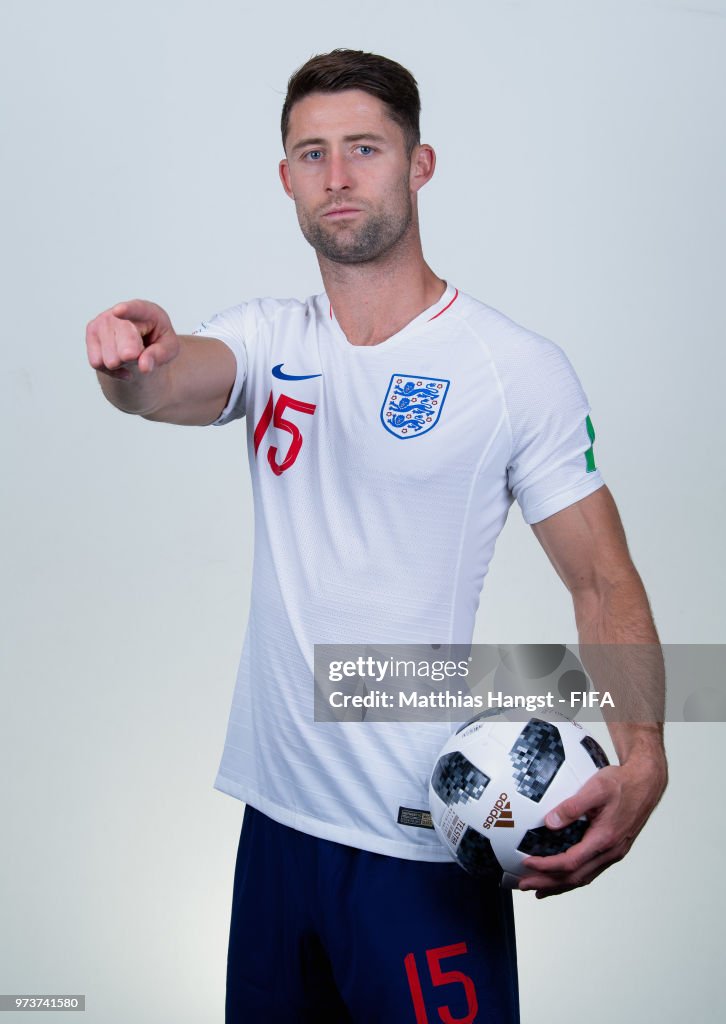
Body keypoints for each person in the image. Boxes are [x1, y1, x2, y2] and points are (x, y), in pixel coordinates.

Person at [86, 49, 668, 1024]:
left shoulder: (514, 369)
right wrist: (127, 360)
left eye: (365, 147)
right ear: (286, 180)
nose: (339, 175)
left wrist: (641, 754)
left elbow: (603, 582)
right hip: (275, 831)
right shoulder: (273, 340)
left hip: (427, 841)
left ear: (419, 164)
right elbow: (167, 380)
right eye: (311, 154)